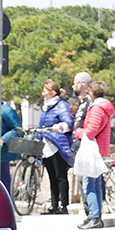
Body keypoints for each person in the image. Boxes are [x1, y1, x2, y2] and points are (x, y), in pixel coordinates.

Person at [74, 81, 115, 229]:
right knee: (96, 182)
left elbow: (91, 131)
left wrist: (78, 132)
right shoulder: (105, 107)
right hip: (100, 148)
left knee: (89, 184)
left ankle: (94, 216)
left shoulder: (97, 108)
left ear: (92, 93)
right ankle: (95, 214)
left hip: (93, 149)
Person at [38, 79, 74, 215]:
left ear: (53, 92)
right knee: (51, 176)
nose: (43, 94)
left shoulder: (61, 105)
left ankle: (63, 206)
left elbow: (69, 122)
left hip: (58, 144)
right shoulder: (46, 106)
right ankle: (54, 205)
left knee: (61, 176)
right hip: (47, 145)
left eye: (45, 91)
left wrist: (59, 126)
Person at [0, 90, 22, 194]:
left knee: (3, 178)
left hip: (3, 151)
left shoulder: (6, 110)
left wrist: (3, 139)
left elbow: (17, 129)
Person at [71, 71, 93, 216]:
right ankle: (89, 210)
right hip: (78, 143)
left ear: (81, 84)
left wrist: (80, 133)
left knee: (87, 179)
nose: (72, 86)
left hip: (87, 144)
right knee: (81, 178)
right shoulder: (82, 102)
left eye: (74, 83)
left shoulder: (91, 102)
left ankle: (92, 211)